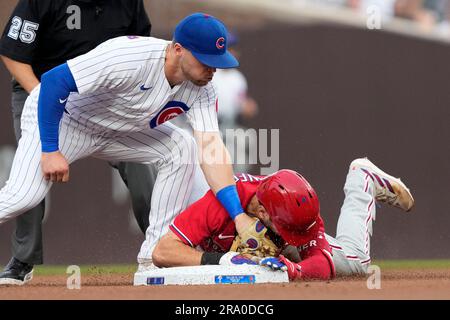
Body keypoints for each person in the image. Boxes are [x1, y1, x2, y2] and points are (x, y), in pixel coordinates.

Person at [0, 12, 267, 280]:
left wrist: (239, 216)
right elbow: (53, 83)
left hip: (118, 130)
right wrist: (50, 149)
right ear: (177, 49)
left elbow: (211, 148)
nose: (213, 70)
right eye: (206, 61)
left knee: (182, 146)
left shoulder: (203, 89)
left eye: (217, 63)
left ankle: (154, 257)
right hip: (65, 120)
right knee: (23, 197)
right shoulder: (128, 56)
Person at [0, 0, 153, 285]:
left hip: (103, 100)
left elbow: (140, 54)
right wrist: (44, 100)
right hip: (40, 91)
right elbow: (12, 54)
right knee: (28, 182)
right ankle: (23, 260)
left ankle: (162, 247)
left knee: (143, 164)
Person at [152, 157, 414, 280]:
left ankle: (362, 179)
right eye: (290, 228)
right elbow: (163, 252)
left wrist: (295, 269)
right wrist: (223, 260)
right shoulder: (221, 201)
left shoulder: (299, 207)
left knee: (357, 264)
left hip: (277, 250)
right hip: (229, 249)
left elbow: (321, 262)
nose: (298, 234)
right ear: (263, 212)